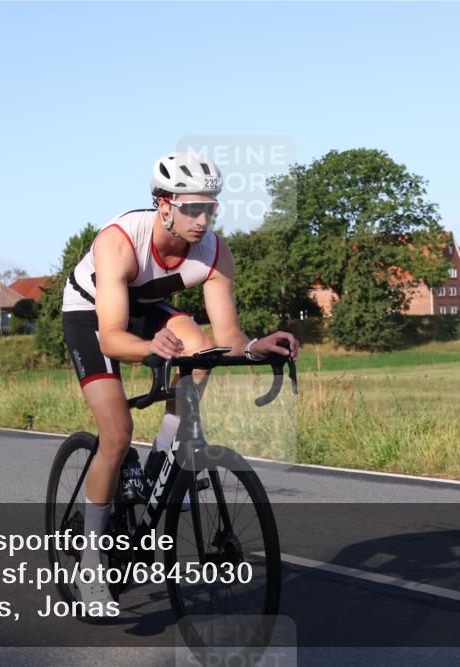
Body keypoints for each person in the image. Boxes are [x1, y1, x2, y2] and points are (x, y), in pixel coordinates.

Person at [61, 151, 299, 610]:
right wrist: (150, 347)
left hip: (146, 308)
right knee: (116, 434)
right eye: (192, 207)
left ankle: (163, 462)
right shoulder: (119, 242)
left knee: (202, 348)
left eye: (211, 206)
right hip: (93, 315)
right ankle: (91, 561)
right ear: (163, 204)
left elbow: (228, 335)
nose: (203, 218)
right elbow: (112, 337)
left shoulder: (214, 251)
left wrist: (255, 347)